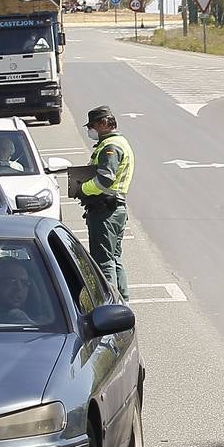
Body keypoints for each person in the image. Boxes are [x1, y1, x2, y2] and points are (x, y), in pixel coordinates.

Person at [78, 106, 135, 302]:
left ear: (103, 123)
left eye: (92, 125)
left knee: (103, 261)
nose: (90, 131)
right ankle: (123, 301)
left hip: (105, 210)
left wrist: (82, 189)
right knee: (115, 258)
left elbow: (105, 180)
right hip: (116, 208)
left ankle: (111, 305)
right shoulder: (120, 142)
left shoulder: (111, 147)